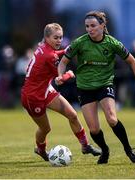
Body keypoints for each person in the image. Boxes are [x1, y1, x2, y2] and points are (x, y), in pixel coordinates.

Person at [56, 11, 135, 164]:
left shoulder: (113, 43)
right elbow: (63, 61)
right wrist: (60, 75)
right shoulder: (80, 42)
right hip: (84, 88)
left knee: (112, 118)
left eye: (93, 26)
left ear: (102, 25)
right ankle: (105, 151)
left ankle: (128, 149)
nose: (89, 29)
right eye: (87, 26)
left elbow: (133, 62)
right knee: (93, 129)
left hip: (104, 85)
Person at [21, 23, 101, 162]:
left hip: (45, 89)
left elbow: (56, 54)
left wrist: (68, 50)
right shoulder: (49, 56)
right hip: (33, 96)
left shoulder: (44, 48)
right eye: (56, 38)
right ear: (47, 37)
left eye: (60, 37)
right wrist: (69, 74)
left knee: (73, 115)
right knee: (45, 129)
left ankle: (85, 146)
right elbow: (59, 80)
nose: (59, 40)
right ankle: (40, 149)